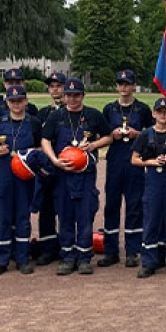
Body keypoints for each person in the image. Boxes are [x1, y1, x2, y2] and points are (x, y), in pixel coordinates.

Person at [40, 77, 111, 276]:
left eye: (76, 95)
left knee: (85, 215)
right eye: (69, 95)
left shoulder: (93, 115)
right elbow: (45, 139)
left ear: (82, 96)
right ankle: (67, 257)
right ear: (64, 96)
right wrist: (54, 159)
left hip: (86, 174)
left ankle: (84, 257)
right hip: (63, 174)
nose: (72, 99)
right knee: (65, 215)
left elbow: (109, 136)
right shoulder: (57, 116)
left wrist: (94, 145)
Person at [0, 84, 42, 276]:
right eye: (12, 101)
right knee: (2, 216)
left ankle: (22, 257)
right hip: (3, 173)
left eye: (20, 100)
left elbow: (41, 147)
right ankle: (1, 259)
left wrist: (31, 153)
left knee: (23, 216)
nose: (16, 104)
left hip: (24, 175)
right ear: (7, 102)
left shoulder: (33, 122)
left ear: (26, 101)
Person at [100, 69, 153, 268]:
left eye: (127, 84)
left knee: (134, 205)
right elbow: (103, 135)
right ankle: (110, 250)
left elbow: (151, 134)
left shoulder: (142, 109)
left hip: (134, 161)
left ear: (133, 86)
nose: (124, 88)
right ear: (117, 86)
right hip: (114, 160)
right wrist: (112, 134)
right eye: (120, 84)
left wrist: (137, 134)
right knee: (111, 205)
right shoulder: (109, 109)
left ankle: (132, 251)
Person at [131, 97, 166, 277]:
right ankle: (149, 262)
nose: (163, 115)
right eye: (160, 112)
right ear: (154, 113)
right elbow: (134, 159)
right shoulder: (145, 134)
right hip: (153, 180)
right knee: (150, 221)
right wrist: (152, 161)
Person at [34, 70, 69, 265]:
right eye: (52, 86)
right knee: (46, 207)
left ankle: (66, 245)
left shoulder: (74, 112)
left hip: (67, 164)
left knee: (65, 207)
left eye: (59, 86)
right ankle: (47, 247)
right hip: (48, 165)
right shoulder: (43, 113)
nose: (55, 89)